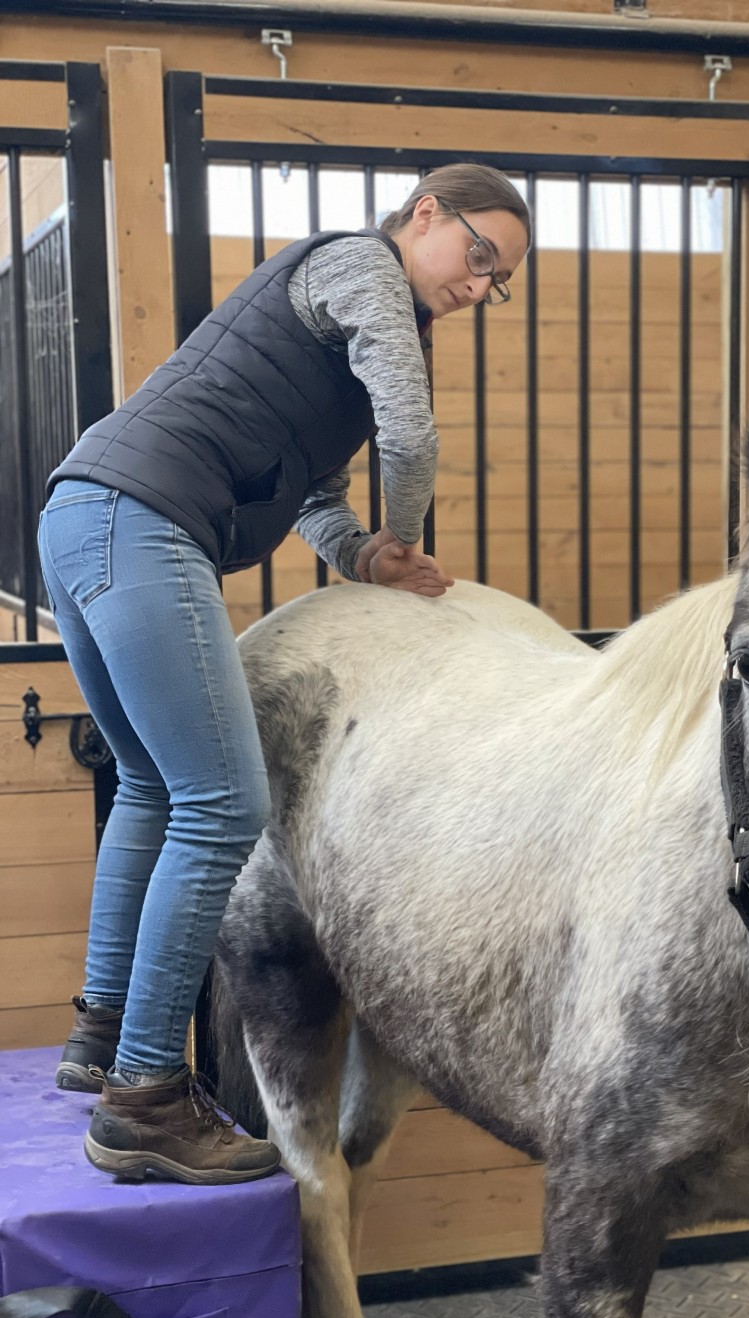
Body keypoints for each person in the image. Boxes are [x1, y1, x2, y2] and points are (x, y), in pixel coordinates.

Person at [39, 163, 531, 1184]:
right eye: (478, 256)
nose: (479, 288)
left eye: (500, 282)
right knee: (222, 806)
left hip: (83, 513)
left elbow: (312, 493)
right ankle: (144, 1098)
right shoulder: (360, 266)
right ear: (425, 213)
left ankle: (99, 1037)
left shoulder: (331, 336)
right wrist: (410, 525)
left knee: (150, 786)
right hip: (142, 521)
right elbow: (411, 426)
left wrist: (365, 554)